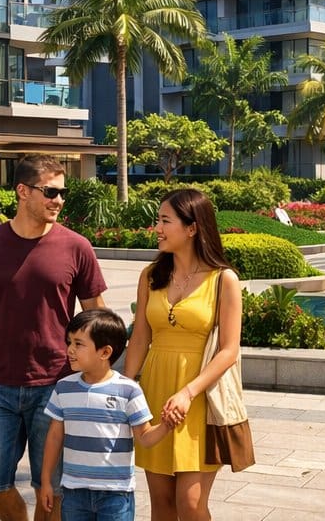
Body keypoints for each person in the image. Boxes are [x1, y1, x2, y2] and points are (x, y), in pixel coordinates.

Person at [0, 154, 108, 521]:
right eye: (50, 192)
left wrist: (103, 378)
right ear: (22, 191)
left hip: (57, 385)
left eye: (62, 193)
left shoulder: (76, 247)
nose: (59, 200)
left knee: (50, 489)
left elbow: (97, 313)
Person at [124, 188, 242, 521]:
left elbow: (229, 349)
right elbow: (140, 338)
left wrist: (188, 392)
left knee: (190, 505)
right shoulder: (151, 276)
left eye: (165, 221)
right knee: (161, 504)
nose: (157, 228)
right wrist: (125, 387)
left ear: (192, 228)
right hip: (155, 393)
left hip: (199, 399)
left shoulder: (224, 280)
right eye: (157, 221)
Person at [38, 309, 172, 521]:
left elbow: (145, 437)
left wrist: (166, 425)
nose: (70, 350)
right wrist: (46, 480)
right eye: (69, 342)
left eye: (78, 344)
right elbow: (54, 437)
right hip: (74, 492)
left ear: (105, 352)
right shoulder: (64, 388)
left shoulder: (128, 390)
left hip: (115, 494)